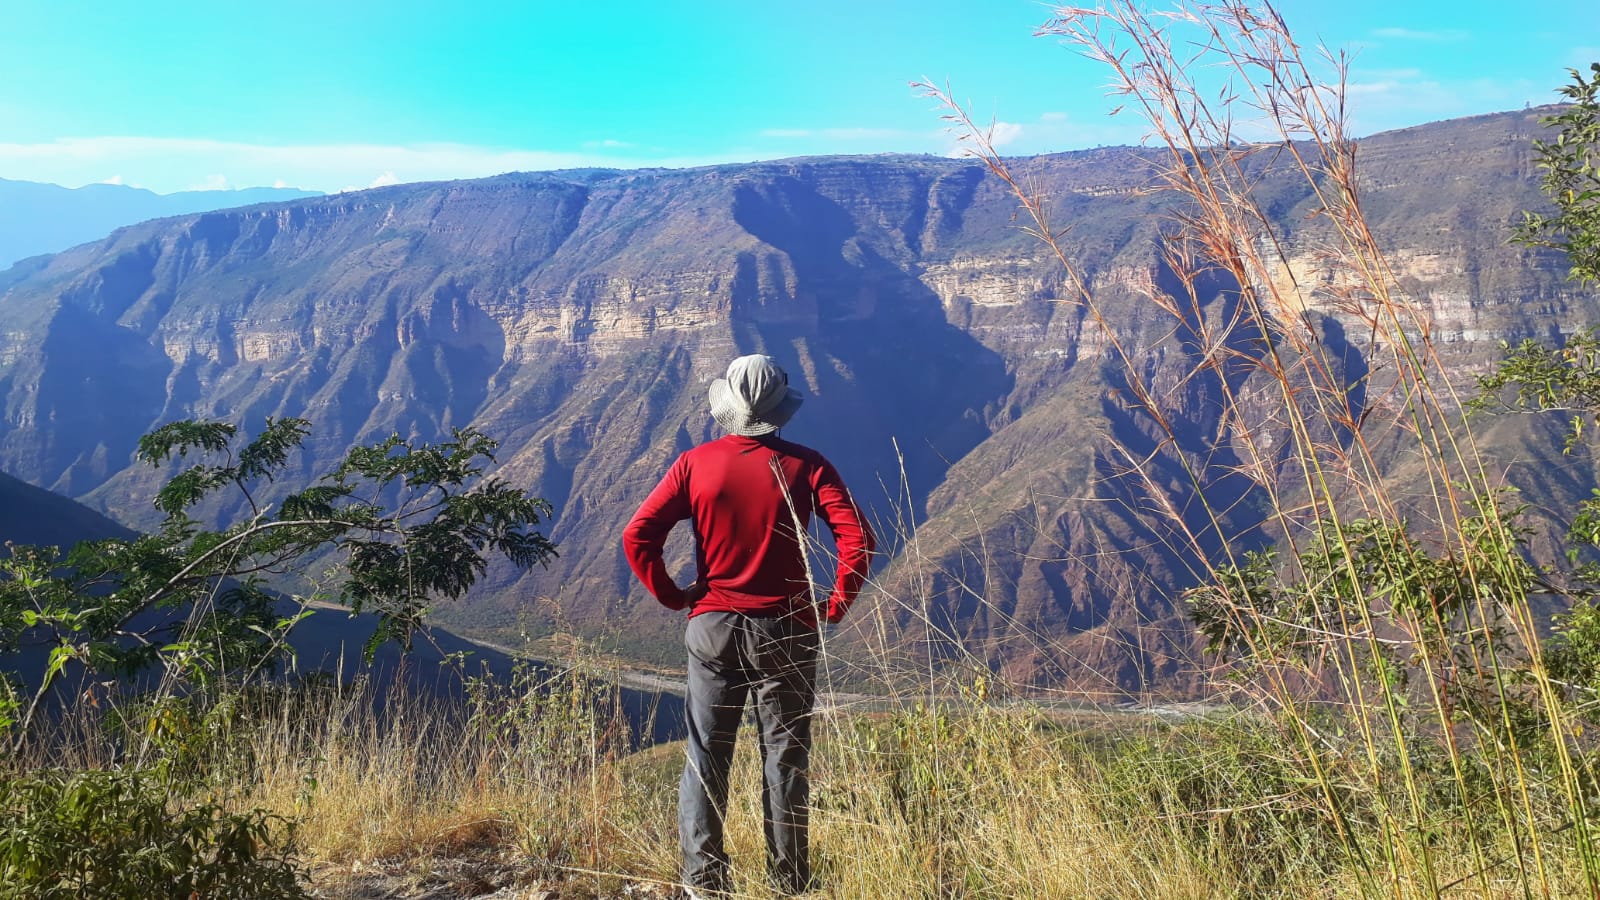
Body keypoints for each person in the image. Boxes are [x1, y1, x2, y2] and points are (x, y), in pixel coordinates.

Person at [622, 354, 876, 897]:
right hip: (787, 629)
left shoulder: (695, 464)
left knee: (706, 756)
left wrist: (674, 597)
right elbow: (859, 540)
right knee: (785, 758)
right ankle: (788, 882)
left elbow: (637, 536)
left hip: (712, 626)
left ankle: (703, 883)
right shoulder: (808, 466)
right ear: (780, 408)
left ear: (730, 406)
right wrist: (833, 605)